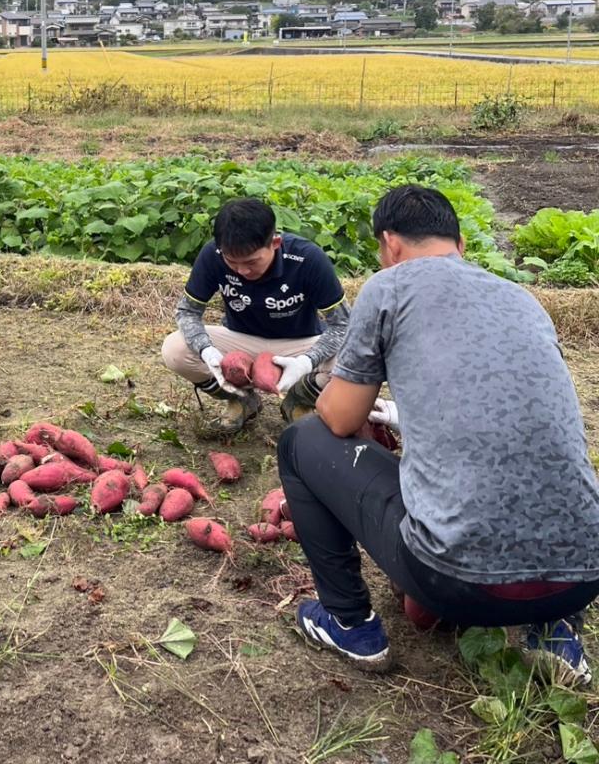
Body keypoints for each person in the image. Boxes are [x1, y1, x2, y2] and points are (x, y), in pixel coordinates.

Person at [281, 185, 599, 686]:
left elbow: (340, 420)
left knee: (300, 443)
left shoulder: (389, 288)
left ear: (389, 244)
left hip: (457, 582)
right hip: (584, 576)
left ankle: (350, 626)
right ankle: (556, 634)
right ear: (462, 245)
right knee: (544, 461)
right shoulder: (523, 300)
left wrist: (318, 385)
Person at [161, 197, 350, 434]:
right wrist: (206, 350)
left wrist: (307, 361)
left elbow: (342, 324)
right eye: (232, 262)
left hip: (299, 343)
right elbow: (187, 311)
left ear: (276, 243)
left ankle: (299, 400)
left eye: (251, 262)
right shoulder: (213, 255)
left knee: (356, 356)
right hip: (240, 339)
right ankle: (242, 400)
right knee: (175, 349)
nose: (242, 271)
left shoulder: (308, 259)